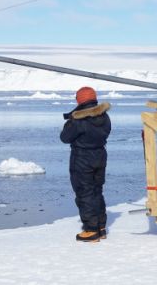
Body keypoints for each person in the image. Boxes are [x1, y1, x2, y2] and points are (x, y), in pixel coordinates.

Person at [60, 86, 111, 242]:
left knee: (85, 193)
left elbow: (64, 137)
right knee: (96, 191)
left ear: (80, 100)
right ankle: (101, 226)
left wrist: (71, 120)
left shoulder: (78, 121)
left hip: (82, 158)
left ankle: (91, 229)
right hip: (100, 155)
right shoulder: (105, 117)